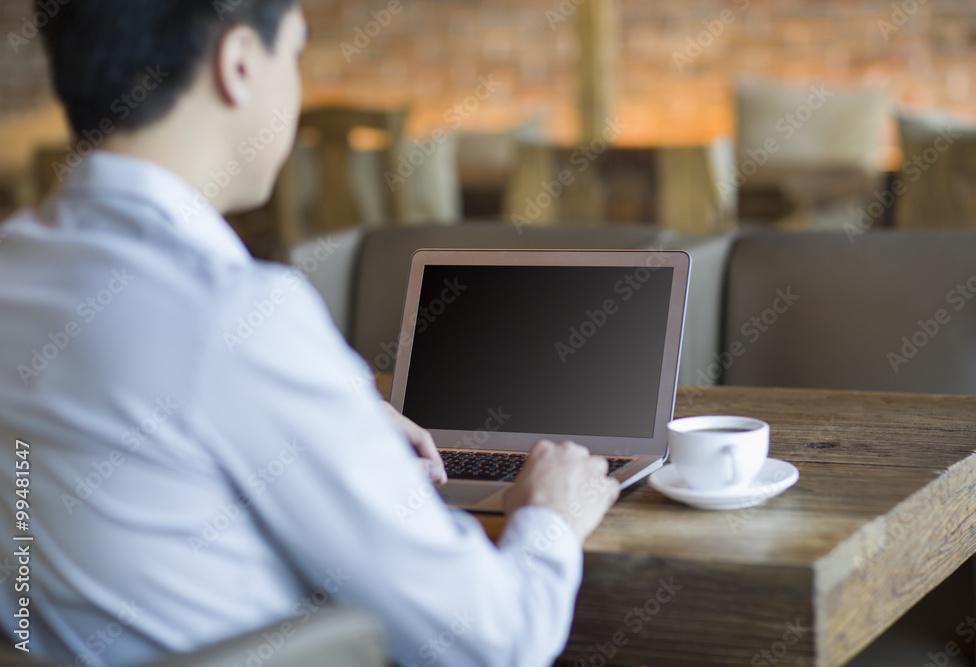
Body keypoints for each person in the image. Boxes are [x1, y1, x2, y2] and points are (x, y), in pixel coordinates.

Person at [0, 1, 619, 666]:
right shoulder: (236, 314)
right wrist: (550, 516)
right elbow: (496, 637)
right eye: (293, 55)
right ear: (238, 64)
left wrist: (328, 418)